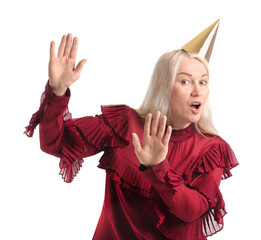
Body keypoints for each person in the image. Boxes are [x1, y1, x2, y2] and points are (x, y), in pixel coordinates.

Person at [25, 23, 238, 240]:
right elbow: (56, 144)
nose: (197, 91)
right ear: (164, 87)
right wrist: (57, 91)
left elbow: (191, 211)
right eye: (185, 81)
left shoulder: (212, 149)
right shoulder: (124, 124)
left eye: (203, 82)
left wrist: (158, 167)